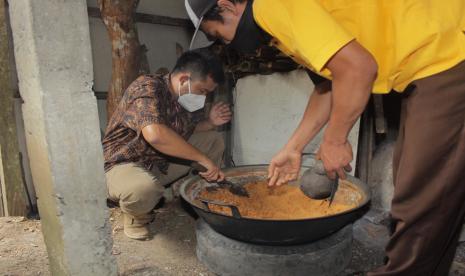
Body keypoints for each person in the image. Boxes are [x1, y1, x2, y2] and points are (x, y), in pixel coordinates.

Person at [185, 0, 465, 274]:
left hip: (448, 54)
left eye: (214, 34)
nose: (221, 43)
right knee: (431, 191)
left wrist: (335, 141)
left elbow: (358, 69)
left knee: (421, 192)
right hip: (434, 61)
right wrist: (293, 148)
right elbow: (328, 87)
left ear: (227, 6)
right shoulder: (279, 29)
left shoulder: (271, 7)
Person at [102, 49, 231, 240]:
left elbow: (186, 132)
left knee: (213, 139)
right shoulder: (147, 87)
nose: (204, 97)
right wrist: (202, 158)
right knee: (144, 189)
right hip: (122, 163)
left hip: (158, 161)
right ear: (184, 80)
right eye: (203, 90)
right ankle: (135, 215)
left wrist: (210, 123)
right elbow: (156, 135)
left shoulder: (185, 98)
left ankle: (201, 195)